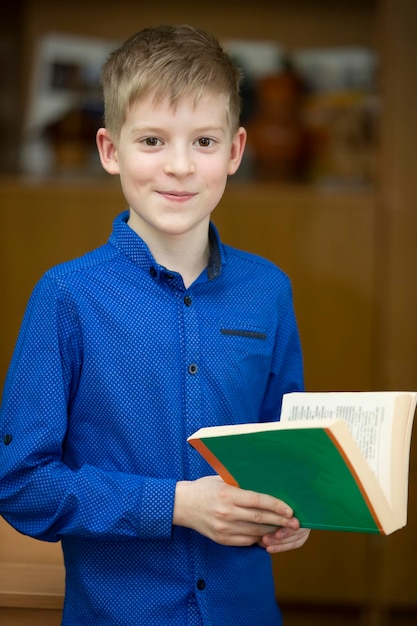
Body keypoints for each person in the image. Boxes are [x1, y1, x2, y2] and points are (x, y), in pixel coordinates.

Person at [0, 24, 310, 625]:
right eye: (151, 140)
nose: (178, 166)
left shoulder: (268, 291)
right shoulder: (66, 296)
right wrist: (175, 505)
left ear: (235, 151)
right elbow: (20, 484)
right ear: (110, 150)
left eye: (203, 141)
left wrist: (292, 513)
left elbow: (284, 452)